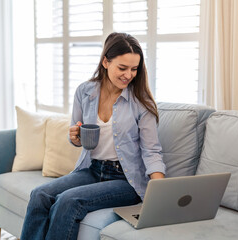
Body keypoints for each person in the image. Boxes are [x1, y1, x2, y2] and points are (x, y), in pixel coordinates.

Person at [20, 32, 166, 240]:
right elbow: (76, 134)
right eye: (122, 68)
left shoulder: (140, 103)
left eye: (134, 69)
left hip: (125, 179)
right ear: (106, 62)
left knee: (68, 201)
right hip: (92, 169)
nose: (129, 75)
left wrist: (158, 190)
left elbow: (151, 151)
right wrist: (75, 137)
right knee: (39, 195)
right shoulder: (85, 92)